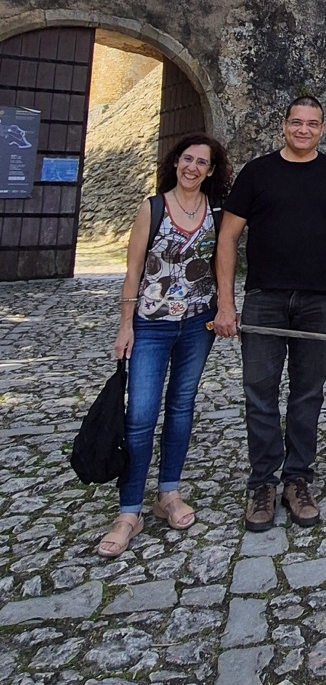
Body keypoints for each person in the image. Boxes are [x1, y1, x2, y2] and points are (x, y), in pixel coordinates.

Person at [213, 96, 326, 531]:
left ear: (322, 128)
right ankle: (262, 483)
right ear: (284, 125)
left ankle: (297, 479)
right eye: (297, 122)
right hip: (265, 299)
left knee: (308, 395)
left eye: (312, 124)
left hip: (318, 300)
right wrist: (226, 302)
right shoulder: (257, 172)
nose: (303, 130)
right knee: (259, 393)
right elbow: (227, 238)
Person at [98, 133, 232, 558]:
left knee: (181, 408)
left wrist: (226, 307)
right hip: (151, 325)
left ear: (211, 171)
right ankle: (129, 511)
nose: (192, 167)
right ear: (176, 163)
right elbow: (133, 270)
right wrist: (125, 326)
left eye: (201, 162)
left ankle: (169, 493)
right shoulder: (152, 208)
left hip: (197, 325)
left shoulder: (216, 212)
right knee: (140, 415)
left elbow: (222, 264)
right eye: (187, 159)